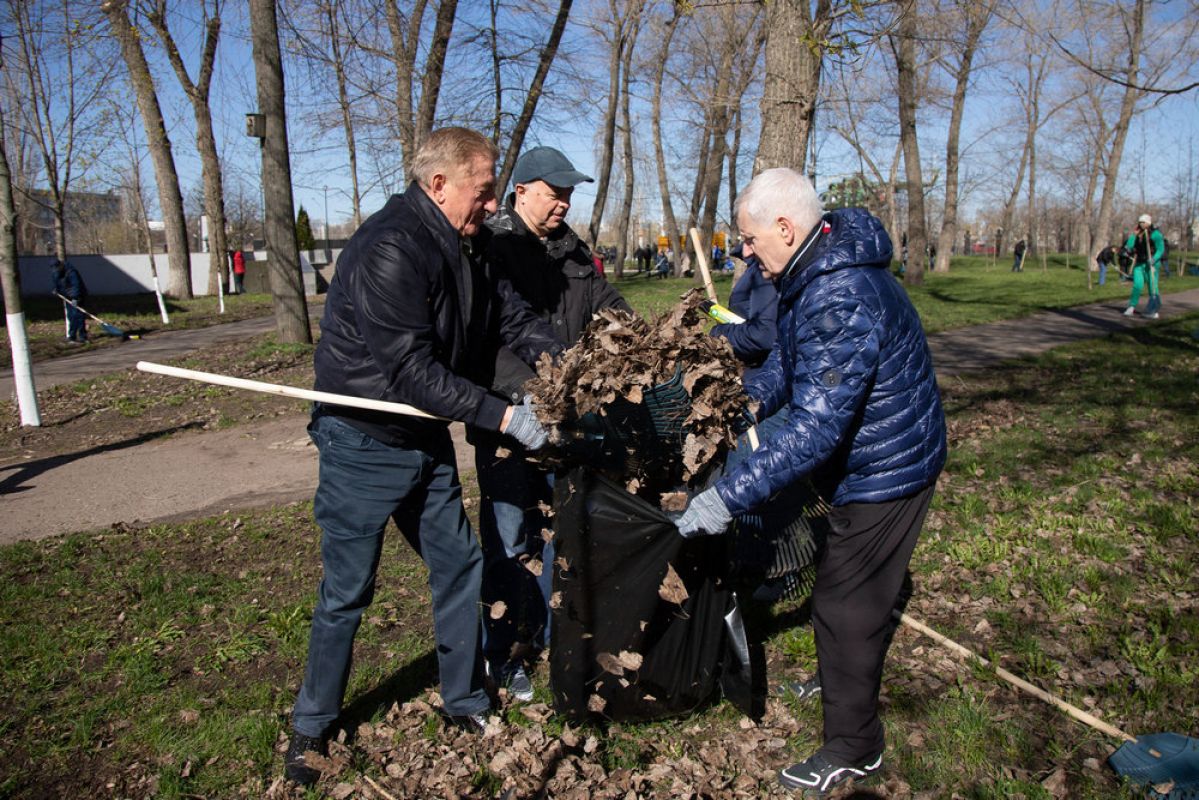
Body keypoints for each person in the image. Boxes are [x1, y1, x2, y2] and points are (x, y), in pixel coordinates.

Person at [284, 127, 564, 787]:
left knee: (459, 564)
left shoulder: (469, 245)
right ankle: (311, 726)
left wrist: (570, 364)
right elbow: (410, 372)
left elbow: (513, 320)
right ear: (439, 184)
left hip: (424, 439)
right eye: (485, 187)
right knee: (348, 591)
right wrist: (502, 416)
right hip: (361, 439)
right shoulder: (390, 248)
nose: (493, 202)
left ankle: (462, 699)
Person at [674, 168, 946, 795]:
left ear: (786, 228)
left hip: (889, 467)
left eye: (748, 238)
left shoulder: (837, 292)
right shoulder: (812, 272)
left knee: (846, 605)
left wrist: (725, 496)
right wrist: (739, 404)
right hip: (869, 454)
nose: (744, 250)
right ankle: (840, 674)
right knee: (840, 588)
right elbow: (791, 372)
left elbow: (816, 427)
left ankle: (857, 746)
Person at [473, 145, 632, 702]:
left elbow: (605, 302)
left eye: (568, 193)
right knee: (510, 536)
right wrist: (529, 396)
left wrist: (638, 336)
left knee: (559, 531)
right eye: (553, 192)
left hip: (567, 421)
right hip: (509, 421)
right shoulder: (492, 246)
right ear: (521, 191)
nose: (564, 202)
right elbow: (485, 341)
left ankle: (549, 636)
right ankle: (503, 650)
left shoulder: (571, 248)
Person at [1123, 213, 1164, 318]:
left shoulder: (1155, 234)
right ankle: (1131, 306)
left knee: (1152, 286)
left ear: (1148, 223)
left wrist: (1154, 258)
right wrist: (1133, 235)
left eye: (1143, 222)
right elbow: (1130, 246)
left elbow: (1160, 249)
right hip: (1140, 263)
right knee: (1137, 285)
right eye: (1140, 222)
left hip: (1152, 264)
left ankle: (1153, 309)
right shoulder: (1138, 234)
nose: (1141, 224)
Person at [51, 259, 89, 343]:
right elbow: (56, 283)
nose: (56, 270)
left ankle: (83, 336)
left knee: (78, 316)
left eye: (57, 268)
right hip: (67, 297)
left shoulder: (71, 272)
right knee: (71, 316)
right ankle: (72, 336)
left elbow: (77, 285)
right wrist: (56, 289)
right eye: (54, 269)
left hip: (78, 296)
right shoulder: (55, 272)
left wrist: (75, 298)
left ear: (60, 266)